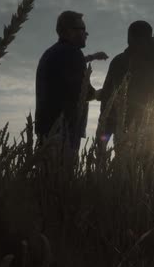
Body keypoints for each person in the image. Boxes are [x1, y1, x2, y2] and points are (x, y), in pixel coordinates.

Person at [97, 20, 154, 163]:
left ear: (129, 39)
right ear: (149, 39)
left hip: (126, 132)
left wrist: (104, 138)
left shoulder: (119, 62)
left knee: (126, 179)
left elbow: (107, 101)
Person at [35, 10, 108, 160]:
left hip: (47, 128)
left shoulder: (51, 52)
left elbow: (66, 72)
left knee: (46, 178)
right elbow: (83, 93)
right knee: (61, 178)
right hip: (64, 131)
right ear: (70, 31)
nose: (86, 34)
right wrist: (102, 94)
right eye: (83, 30)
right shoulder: (72, 53)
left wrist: (93, 57)